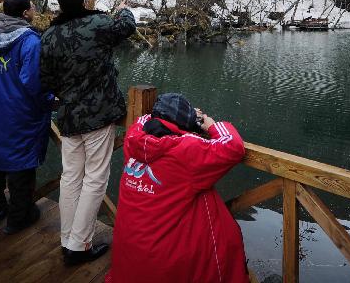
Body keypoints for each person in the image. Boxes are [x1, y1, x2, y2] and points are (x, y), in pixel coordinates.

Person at [39, 0, 136, 265]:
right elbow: (127, 26)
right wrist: (124, 9)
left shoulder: (50, 35)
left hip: (68, 116)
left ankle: (67, 239)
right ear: (83, 2)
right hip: (99, 115)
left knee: (70, 178)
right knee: (95, 178)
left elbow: (45, 80)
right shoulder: (97, 24)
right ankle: (79, 246)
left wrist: (67, 93)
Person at [106, 93, 248, 283]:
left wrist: (184, 114)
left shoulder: (134, 138)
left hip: (129, 253)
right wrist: (211, 124)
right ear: (184, 126)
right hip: (164, 260)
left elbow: (143, 119)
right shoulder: (185, 150)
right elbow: (233, 146)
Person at [0, 0, 54, 233]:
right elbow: (32, 81)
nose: (35, 10)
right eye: (33, 7)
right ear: (25, 14)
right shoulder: (29, 42)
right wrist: (49, 99)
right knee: (21, 165)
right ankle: (18, 217)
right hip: (20, 113)